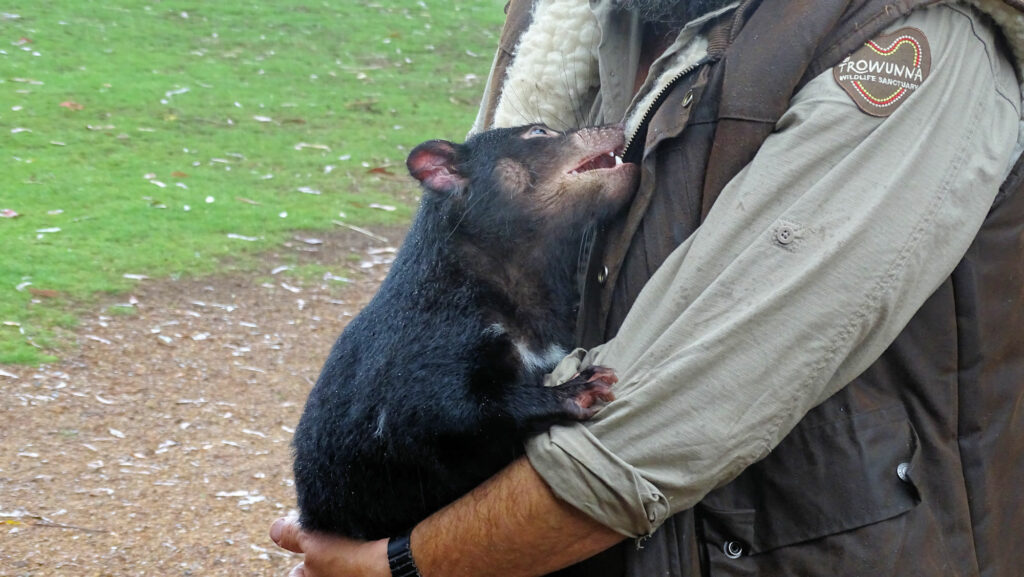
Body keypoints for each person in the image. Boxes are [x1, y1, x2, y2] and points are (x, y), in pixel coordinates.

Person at [270, 0, 1024, 575]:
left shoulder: (908, 39)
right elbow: (467, 270)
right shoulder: (593, 21)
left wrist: (401, 561)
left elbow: (676, 419)